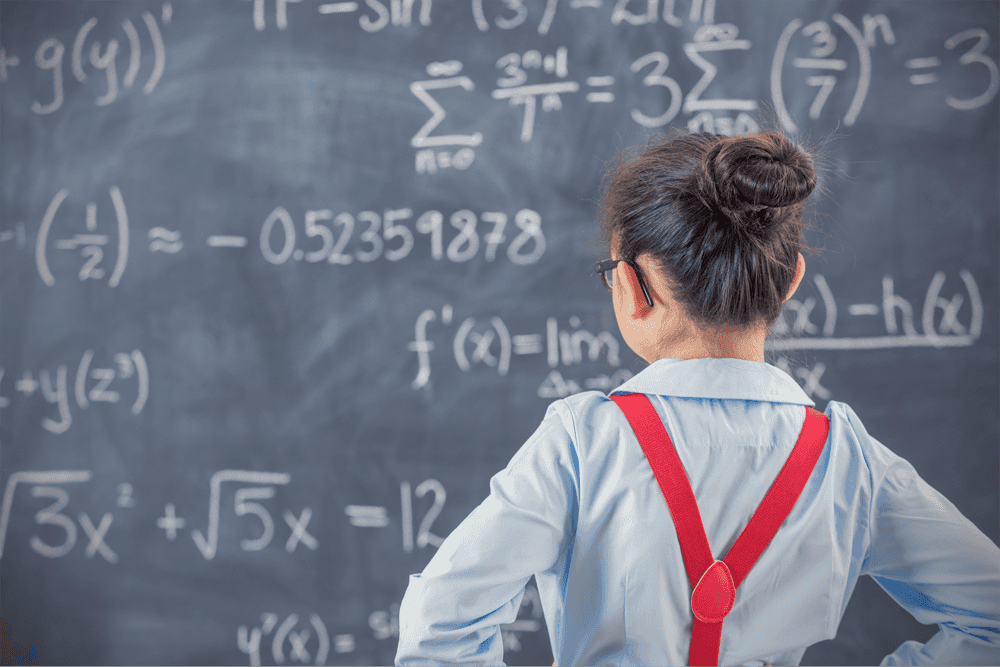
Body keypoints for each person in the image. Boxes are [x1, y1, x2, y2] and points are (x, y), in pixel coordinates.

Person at [394, 130, 1000, 666]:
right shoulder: (849, 461)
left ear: (632, 287)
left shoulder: (583, 442)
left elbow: (441, 624)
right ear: (790, 283)